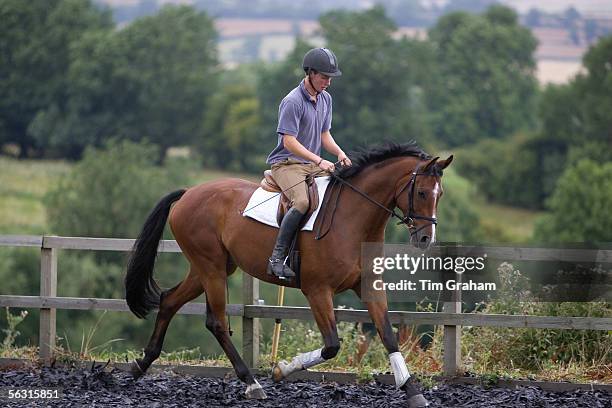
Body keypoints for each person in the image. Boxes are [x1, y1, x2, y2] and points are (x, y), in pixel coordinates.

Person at [266, 47, 352, 280]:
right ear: (310, 73)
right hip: (287, 163)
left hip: (311, 164)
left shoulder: (326, 99)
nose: (328, 82)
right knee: (302, 202)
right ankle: (276, 258)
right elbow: (289, 141)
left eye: (330, 78)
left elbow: (325, 135)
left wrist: (340, 153)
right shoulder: (292, 101)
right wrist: (319, 160)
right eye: (324, 77)